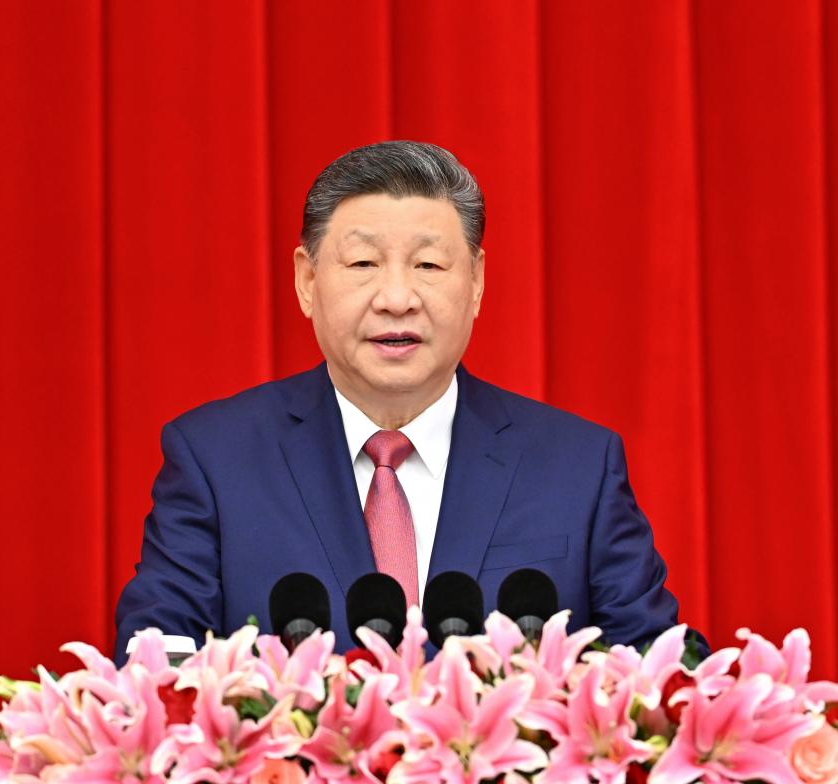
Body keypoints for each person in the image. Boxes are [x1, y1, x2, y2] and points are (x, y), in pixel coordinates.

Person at [114, 141, 695, 663]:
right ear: (307, 282)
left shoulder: (578, 466)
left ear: (476, 282)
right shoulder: (215, 460)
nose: (396, 298)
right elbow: (157, 672)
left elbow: (659, 680)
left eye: (429, 265)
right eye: (364, 264)